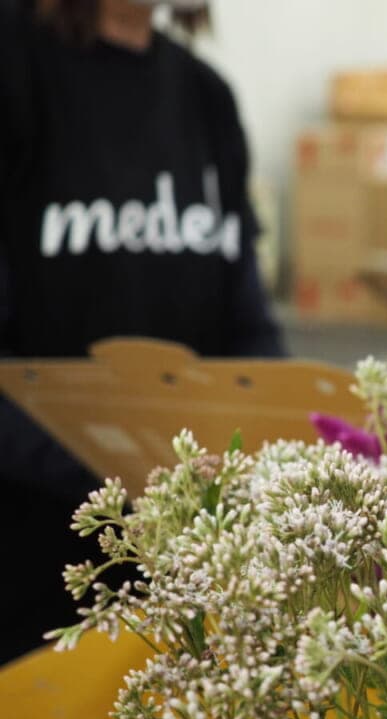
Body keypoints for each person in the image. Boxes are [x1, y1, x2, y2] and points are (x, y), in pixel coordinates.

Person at [0, 0, 285, 664]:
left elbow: (249, 332)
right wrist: (129, 468)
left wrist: (276, 446)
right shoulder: (15, 69)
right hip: (29, 582)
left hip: (178, 582)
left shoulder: (206, 97)